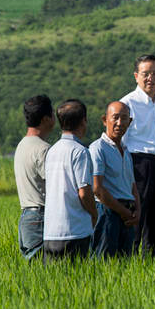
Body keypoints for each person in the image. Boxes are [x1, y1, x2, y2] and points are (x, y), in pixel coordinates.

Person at [120, 54, 155, 258]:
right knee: (136, 221)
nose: (150, 78)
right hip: (139, 166)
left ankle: (152, 270)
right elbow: (121, 142)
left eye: (154, 73)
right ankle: (130, 269)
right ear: (136, 76)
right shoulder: (127, 103)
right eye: (145, 74)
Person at [44, 99, 97, 261]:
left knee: (53, 284)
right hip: (75, 231)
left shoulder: (52, 151)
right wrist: (94, 214)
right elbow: (84, 193)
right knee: (78, 283)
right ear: (83, 121)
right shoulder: (80, 152)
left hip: (50, 232)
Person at [89, 102, 141, 258]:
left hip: (127, 214)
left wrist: (138, 210)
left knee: (125, 267)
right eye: (115, 118)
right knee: (104, 264)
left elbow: (132, 186)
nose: (119, 123)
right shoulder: (97, 148)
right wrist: (124, 211)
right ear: (105, 120)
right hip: (107, 213)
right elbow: (97, 189)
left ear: (130, 122)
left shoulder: (126, 151)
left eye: (124, 118)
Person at [14, 95, 55, 260]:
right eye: (52, 114)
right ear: (45, 119)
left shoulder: (22, 145)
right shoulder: (43, 149)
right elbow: (55, 186)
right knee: (48, 273)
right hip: (41, 217)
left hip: (27, 217)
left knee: (36, 274)